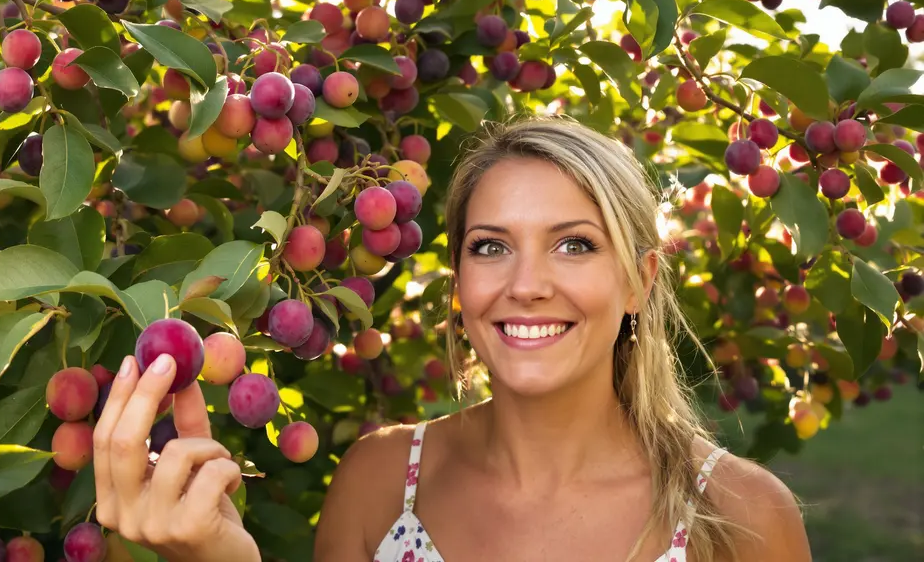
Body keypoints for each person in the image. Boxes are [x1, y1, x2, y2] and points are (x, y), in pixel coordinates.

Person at [91, 116, 813, 561]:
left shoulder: (739, 517)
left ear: (639, 282)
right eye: (492, 247)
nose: (525, 284)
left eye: (575, 246)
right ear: (461, 281)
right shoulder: (381, 483)